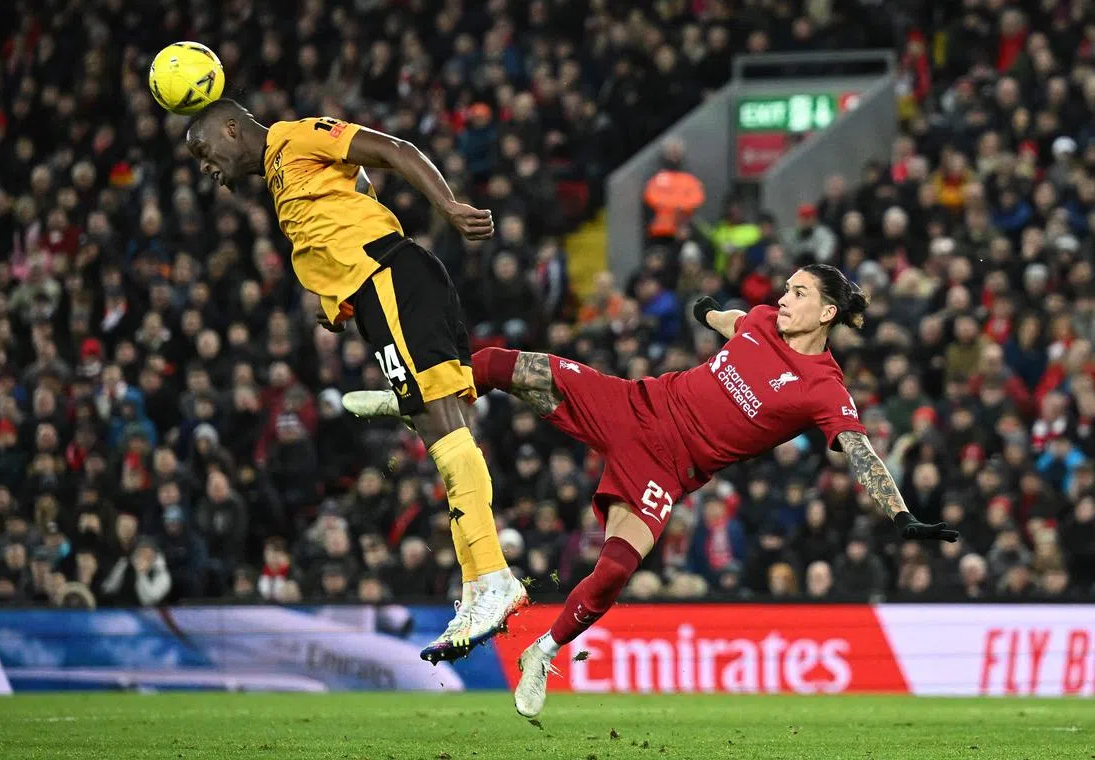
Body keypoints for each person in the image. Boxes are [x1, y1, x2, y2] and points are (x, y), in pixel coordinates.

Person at [342, 263, 959, 716]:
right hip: (636, 404)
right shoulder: (763, 322)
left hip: (669, 468)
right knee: (513, 365)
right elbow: (730, 320)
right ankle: (412, 397)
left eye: (799, 292)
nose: (784, 296)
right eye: (787, 287)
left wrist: (901, 515)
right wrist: (705, 310)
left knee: (614, 570)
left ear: (826, 312)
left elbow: (860, 450)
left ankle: (541, 652)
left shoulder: (823, 386)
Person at [185, 99, 524, 661]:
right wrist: (333, 297)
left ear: (230, 127)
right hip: (373, 293)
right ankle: (476, 586)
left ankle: (494, 577)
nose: (205, 165)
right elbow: (359, 191)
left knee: (443, 427)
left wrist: (447, 206)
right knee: (440, 437)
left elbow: (393, 151)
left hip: (393, 278)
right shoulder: (280, 175)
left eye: (204, 150)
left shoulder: (295, 137)